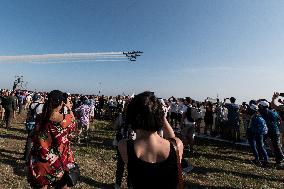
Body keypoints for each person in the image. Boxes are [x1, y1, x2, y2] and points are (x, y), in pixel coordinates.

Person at [118, 91, 183, 189]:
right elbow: (172, 137)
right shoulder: (177, 145)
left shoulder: (124, 146)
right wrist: (161, 116)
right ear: (160, 115)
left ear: (131, 116)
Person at [28, 90, 77, 189]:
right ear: (61, 103)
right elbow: (73, 135)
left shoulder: (40, 118)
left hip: (41, 161)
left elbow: (33, 136)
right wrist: (68, 108)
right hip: (61, 162)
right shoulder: (68, 119)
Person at [259, 99, 284, 168]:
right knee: (276, 146)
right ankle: (279, 160)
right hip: (275, 131)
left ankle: (262, 158)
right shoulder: (273, 112)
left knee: (260, 143)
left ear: (261, 106)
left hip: (267, 131)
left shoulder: (262, 112)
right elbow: (279, 120)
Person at [23, 94, 44, 162]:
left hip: (30, 124)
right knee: (38, 141)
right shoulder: (41, 106)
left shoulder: (31, 104)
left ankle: (26, 156)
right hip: (37, 124)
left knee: (29, 140)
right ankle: (35, 157)